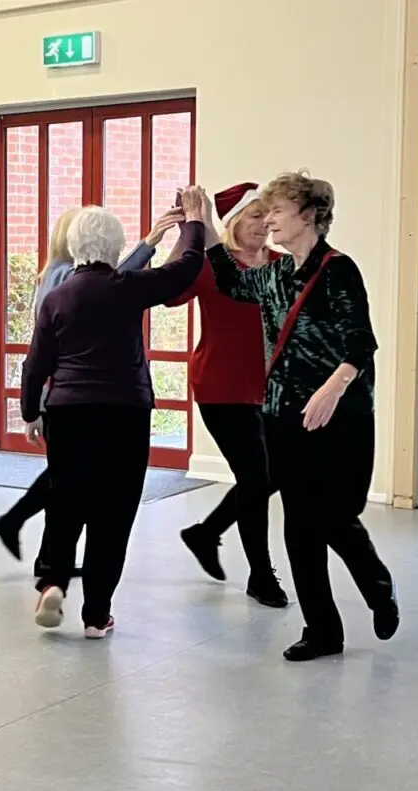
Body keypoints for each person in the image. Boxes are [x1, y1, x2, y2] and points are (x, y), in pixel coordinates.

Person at [203, 172, 398, 661]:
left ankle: (376, 583)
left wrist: (332, 388)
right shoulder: (274, 273)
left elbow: (361, 342)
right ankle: (323, 630)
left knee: (336, 517)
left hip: (341, 415)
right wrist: (204, 223)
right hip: (283, 414)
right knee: (299, 523)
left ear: (309, 216)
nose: (268, 219)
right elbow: (229, 280)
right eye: (266, 211)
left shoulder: (338, 270)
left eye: (277, 211)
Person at [21, 190, 207, 638]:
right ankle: (96, 614)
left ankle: (52, 581)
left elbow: (36, 363)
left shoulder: (57, 298)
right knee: (113, 514)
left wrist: (31, 413)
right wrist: (194, 223)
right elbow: (186, 269)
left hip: (68, 412)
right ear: (117, 247)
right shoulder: (130, 287)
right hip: (125, 413)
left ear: (75, 246)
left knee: (65, 503)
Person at [0, 205, 186, 573]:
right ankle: (45, 558)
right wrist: (149, 243)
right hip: (70, 395)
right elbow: (112, 284)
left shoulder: (55, 275)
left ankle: (37, 548)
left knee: (65, 482)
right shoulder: (64, 278)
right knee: (69, 486)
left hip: (65, 395)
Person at [167, 183, 289, 608]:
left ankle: (205, 533)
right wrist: (186, 234)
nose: (264, 224)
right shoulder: (210, 265)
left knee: (274, 475)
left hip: (271, 389)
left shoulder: (282, 264)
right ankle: (261, 575)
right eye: (255, 215)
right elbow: (169, 294)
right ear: (234, 221)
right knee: (255, 478)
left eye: (268, 216)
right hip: (222, 387)